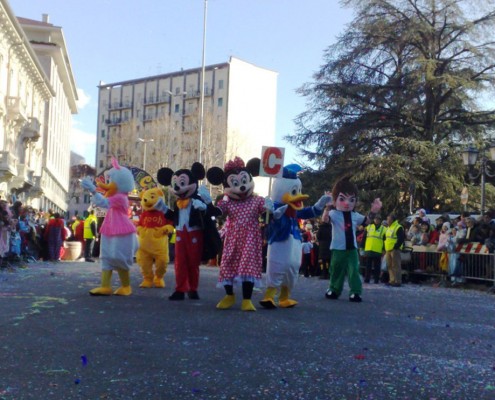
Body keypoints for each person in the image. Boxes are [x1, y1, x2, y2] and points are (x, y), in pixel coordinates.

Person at [325, 178, 382, 302]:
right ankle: (334, 289)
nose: (347, 203)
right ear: (335, 201)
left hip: (352, 249)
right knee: (336, 270)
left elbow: (366, 221)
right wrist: (327, 208)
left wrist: (373, 211)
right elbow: (325, 220)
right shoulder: (334, 214)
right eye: (342, 199)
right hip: (338, 248)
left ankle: (356, 291)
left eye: (351, 200)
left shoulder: (355, 216)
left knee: (354, 270)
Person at [384, 213, 405, 287]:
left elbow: (401, 238)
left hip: (394, 249)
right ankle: (392, 280)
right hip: (388, 248)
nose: (387, 221)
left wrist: (396, 247)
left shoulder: (398, 227)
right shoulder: (388, 227)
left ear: (392, 220)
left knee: (396, 265)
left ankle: (397, 281)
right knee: (389, 265)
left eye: (388, 219)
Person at [363, 215, 385, 284]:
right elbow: (364, 238)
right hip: (369, 249)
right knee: (368, 266)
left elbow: (385, 240)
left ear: (380, 220)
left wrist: (384, 249)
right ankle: (367, 279)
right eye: (376, 219)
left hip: (378, 250)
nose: (377, 220)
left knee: (377, 267)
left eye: (378, 219)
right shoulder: (369, 227)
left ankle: (376, 279)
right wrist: (362, 246)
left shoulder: (383, 229)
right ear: (374, 220)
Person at [316, 206, 332, 280]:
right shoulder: (330, 227)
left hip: (322, 246)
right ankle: (329, 274)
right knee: (329, 261)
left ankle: (323, 274)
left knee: (323, 261)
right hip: (329, 245)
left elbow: (318, 236)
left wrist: (320, 241)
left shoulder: (321, 227)